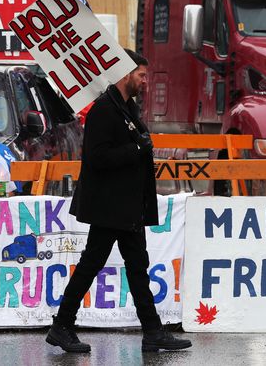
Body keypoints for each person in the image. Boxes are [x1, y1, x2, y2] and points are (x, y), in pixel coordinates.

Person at [46, 50, 192, 354]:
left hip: (129, 206)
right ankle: (62, 326)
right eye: (141, 75)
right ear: (125, 74)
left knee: (138, 266)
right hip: (110, 207)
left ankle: (153, 332)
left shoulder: (126, 107)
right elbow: (97, 158)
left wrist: (139, 148)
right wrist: (137, 149)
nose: (145, 81)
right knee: (92, 263)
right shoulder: (104, 110)